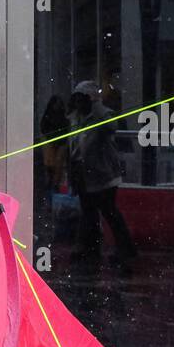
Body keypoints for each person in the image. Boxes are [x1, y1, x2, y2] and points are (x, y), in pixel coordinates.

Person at [67, 80, 138, 263]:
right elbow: (74, 145)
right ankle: (90, 249)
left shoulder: (102, 115)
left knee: (109, 212)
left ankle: (125, 249)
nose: (77, 103)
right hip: (83, 174)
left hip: (103, 174)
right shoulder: (76, 119)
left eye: (81, 99)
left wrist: (96, 106)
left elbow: (111, 127)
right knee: (89, 211)